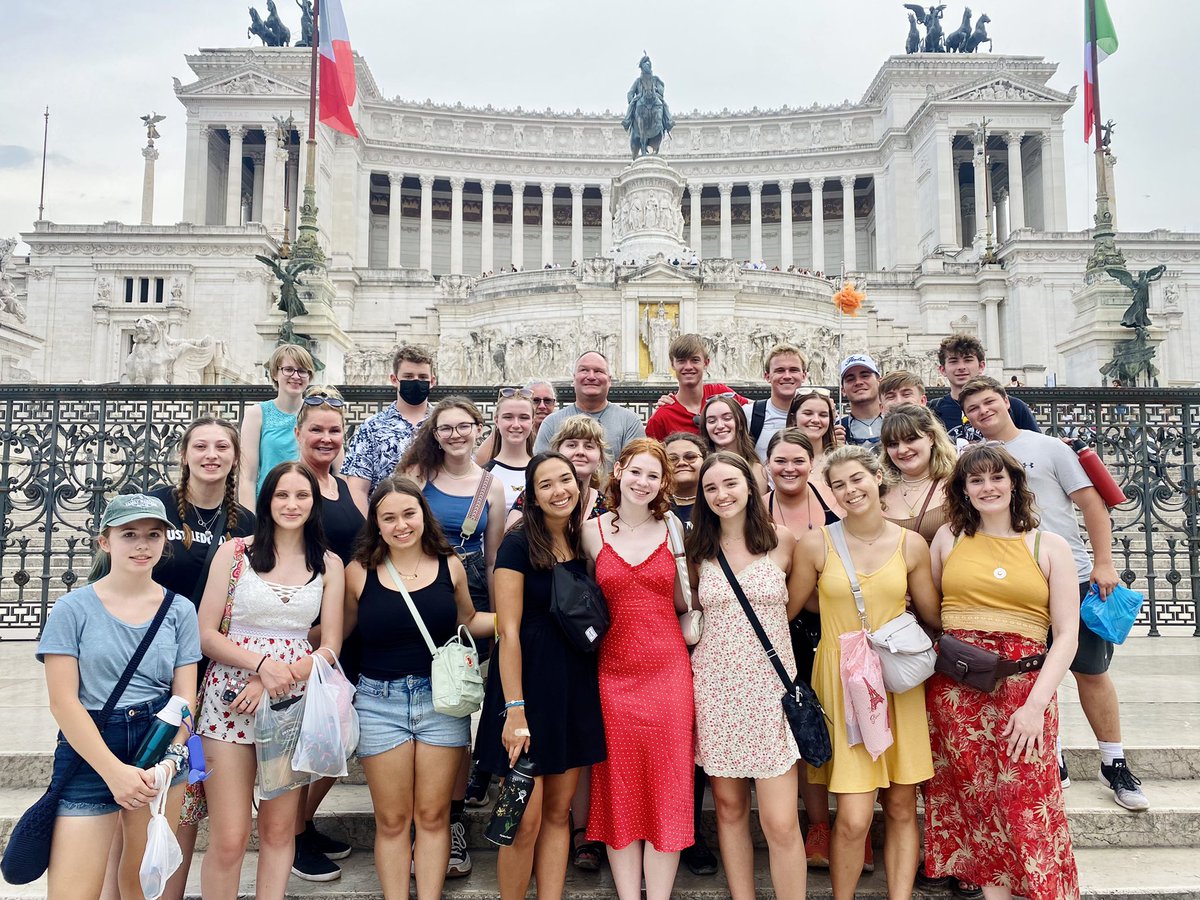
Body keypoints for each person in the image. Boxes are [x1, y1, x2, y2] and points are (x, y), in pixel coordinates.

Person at [960, 376, 1149, 811]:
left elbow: (1091, 505)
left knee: (1090, 670)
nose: (983, 412)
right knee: (1031, 673)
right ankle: (1054, 757)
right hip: (1014, 583)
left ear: (1007, 402)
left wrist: (1104, 562)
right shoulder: (974, 458)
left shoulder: (1050, 448)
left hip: (1073, 574)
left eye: (990, 402)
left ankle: (1113, 761)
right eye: (974, 409)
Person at [925, 445, 1079, 899]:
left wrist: (1035, 708)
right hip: (957, 692)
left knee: (1026, 803)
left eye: (996, 477)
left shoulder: (1048, 545)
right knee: (975, 805)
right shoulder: (948, 539)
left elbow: (1066, 636)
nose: (987, 487)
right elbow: (934, 615)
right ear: (963, 490)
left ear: (1014, 483)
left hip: (1024, 688)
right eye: (976, 480)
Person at [37, 494, 199, 900]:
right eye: (129, 534)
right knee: (73, 890)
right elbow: (63, 702)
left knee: (144, 885)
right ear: (105, 541)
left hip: (157, 746)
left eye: (153, 535)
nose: (142, 545)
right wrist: (113, 771)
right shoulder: (71, 609)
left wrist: (170, 761)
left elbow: (185, 697)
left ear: (166, 542)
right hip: (91, 748)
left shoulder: (179, 610)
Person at [797, 446, 941, 900]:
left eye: (857, 479)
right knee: (855, 815)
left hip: (896, 683)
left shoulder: (910, 544)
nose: (849, 490)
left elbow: (932, 615)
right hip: (842, 683)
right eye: (838, 485)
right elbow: (792, 606)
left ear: (877, 477)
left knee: (901, 805)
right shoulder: (816, 542)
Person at [344, 476, 496, 899]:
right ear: (376, 523)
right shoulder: (357, 572)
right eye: (388, 517)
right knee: (392, 820)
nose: (400, 525)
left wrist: (514, 622)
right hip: (378, 702)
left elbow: (467, 619)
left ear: (422, 515)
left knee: (433, 816)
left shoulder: (449, 563)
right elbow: (336, 636)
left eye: (408, 514)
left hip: (441, 703)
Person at [198, 462, 344, 900]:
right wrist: (259, 665)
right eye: (282, 495)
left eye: (302, 495)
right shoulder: (235, 552)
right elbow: (205, 633)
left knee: (279, 831)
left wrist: (278, 677)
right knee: (229, 835)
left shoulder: (329, 564)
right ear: (266, 501)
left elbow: (331, 645)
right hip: (229, 700)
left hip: (291, 706)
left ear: (314, 503)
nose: (292, 504)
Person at [475, 452, 607, 900]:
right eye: (546, 484)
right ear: (531, 496)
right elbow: (507, 633)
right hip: (526, 688)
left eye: (566, 480)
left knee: (558, 813)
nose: (559, 491)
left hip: (572, 687)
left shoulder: (580, 541)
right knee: (520, 819)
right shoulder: (516, 545)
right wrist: (515, 711)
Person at [687, 451, 809, 900]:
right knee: (729, 808)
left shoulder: (784, 541)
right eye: (711, 488)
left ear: (752, 486)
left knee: (779, 820)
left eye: (731, 484)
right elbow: (694, 612)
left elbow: (791, 610)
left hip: (770, 691)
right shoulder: (698, 549)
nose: (722, 494)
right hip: (715, 688)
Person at [580, 439, 695, 899]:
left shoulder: (673, 529)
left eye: (653, 475)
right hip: (612, 671)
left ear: (663, 482)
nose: (643, 482)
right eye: (636, 471)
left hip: (667, 669)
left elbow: (687, 598)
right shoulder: (592, 532)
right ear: (619, 471)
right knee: (618, 785)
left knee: (667, 783)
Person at [399, 396, 507, 877]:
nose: (456, 435)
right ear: (434, 432)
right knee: (413, 703)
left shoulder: (492, 486)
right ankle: (413, 822)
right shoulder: (417, 477)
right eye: (446, 428)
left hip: (471, 599)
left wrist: (500, 616)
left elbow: (494, 557)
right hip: (417, 590)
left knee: (457, 704)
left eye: (464, 426)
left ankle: (453, 818)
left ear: (478, 429)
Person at [147, 417, 255, 900]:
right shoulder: (158, 507)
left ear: (235, 458)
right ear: (184, 454)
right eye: (201, 446)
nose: (211, 455)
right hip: (150, 668)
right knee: (158, 799)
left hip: (207, 681)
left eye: (221, 447)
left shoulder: (247, 525)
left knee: (188, 794)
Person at [290, 386, 364, 880]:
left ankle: (302, 823)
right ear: (298, 433)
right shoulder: (293, 484)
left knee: (335, 733)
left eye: (334, 430)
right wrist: (310, 631)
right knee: (307, 735)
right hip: (314, 629)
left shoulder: (345, 486)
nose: (325, 438)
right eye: (316, 429)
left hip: (351, 627)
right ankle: (289, 836)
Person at [761, 428, 838, 868]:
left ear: (812, 463)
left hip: (832, 624)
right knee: (801, 726)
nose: (789, 468)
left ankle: (852, 824)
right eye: (780, 461)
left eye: (798, 461)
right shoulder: (759, 508)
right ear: (767, 465)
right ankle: (818, 825)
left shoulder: (832, 502)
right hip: (780, 630)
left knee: (841, 724)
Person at [342, 345, 436, 512]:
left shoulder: (444, 424)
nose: (415, 381)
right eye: (408, 376)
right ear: (394, 379)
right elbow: (357, 489)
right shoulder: (371, 428)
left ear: (432, 381)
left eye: (422, 377)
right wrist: (367, 532)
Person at [237, 344, 314, 508]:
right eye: (288, 369)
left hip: (309, 505)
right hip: (268, 504)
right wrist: (250, 523)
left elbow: (339, 472)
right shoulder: (256, 414)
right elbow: (247, 477)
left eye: (302, 370)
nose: (296, 376)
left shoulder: (316, 414)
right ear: (274, 373)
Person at [534, 351, 645, 461]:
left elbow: (635, 468)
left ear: (609, 380)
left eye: (598, 371)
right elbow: (542, 470)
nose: (591, 376)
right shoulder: (551, 423)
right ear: (574, 378)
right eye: (584, 370)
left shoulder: (630, 422)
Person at [931, 334, 1040, 442]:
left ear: (981, 366)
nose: (961, 367)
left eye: (968, 360)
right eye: (954, 361)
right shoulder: (932, 411)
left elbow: (1035, 446)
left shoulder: (1014, 406)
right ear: (942, 370)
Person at [510, 414, 610, 526]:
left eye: (589, 446)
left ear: (600, 458)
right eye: (572, 445)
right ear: (557, 452)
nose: (580, 452)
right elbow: (510, 539)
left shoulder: (606, 506)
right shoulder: (534, 496)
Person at [643, 334, 745, 441]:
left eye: (695, 360)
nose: (688, 367)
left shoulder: (720, 393)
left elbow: (759, 408)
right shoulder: (661, 417)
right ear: (672, 364)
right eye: (681, 361)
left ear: (706, 363)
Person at [878, 404, 955, 544]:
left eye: (910, 439)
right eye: (893, 444)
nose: (902, 450)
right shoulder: (877, 487)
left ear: (930, 437)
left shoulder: (958, 482)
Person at [744, 344, 810, 461]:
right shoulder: (748, 414)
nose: (787, 376)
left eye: (793, 370)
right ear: (767, 376)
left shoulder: (817, 417)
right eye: (780, 370)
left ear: (804, 375)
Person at [478, 388, 536, 511]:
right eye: (508, 417)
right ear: (496, 421)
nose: (516, 425)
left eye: (523, 417)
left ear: (533, 422)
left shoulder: (542, 470)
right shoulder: (483, 474)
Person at [786, 388, 843, 514]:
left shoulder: (842, 459)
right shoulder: (779, 460)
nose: (816, 420)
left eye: (823, 415)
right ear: (793, 418)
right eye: (808, 413)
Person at [699, 395, 769, 494]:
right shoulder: (699, 467)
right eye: (712, 421)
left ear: (740, 423)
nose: (720, 426)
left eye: (727, 418)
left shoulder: (757, 471)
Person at [836, 353, 883, 447]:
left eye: (865, 376)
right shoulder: (838, 430)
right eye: (850, 379)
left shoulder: (897, 423)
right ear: (843, 390)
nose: (858, 382)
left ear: (879, 381)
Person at [664, 432, 706, 526]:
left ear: (705, 461)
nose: (681, 463)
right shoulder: (654, 508)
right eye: (672, 459)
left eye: (690, 457)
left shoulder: (718, 501)